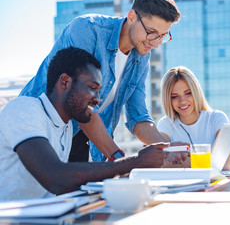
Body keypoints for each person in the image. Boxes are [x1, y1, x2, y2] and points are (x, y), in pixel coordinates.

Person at [19, 0, 181, 162]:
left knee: (80, 189)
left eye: (163, 36)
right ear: (132, 17)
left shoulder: (141, 56)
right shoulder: (87, 30)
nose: (156, 43)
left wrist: (173, 151)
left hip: (76, 137)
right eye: (151, 33)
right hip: (35, 130)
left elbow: (138, 118)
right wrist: (119, 159)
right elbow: (79, 103)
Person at [0, 47, 171, 201]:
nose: (97, 99)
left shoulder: (65, 126)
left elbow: (69, 183)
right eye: (92, 87)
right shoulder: (23, 109)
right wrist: (134, 162)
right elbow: (56, 177)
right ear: (65, 82)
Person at [157, 66, 230, 170]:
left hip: (212, 185)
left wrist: (183, 162)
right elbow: (161, 163)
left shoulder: (217, 118)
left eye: (188, 93)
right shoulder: (165, 124)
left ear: (196, 92)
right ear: (168, 99)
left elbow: (225, 165)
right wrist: (209, 161)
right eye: (174, 96)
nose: (182, 101)